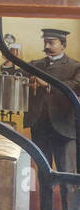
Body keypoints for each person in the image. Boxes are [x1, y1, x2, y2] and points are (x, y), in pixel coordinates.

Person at [25, 28, 80, 174]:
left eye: (51, 42)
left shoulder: (75, 67)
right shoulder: (35, 64)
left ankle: (68, 198)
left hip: (64, 129)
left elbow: (75, 85)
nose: (47, 46)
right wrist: (9, 61)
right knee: (43, 174)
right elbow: (16, 74)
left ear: (63, 45)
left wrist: (48, 84)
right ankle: (45, 198)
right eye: (45, 42)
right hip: (40, 127)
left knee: (66, 173)